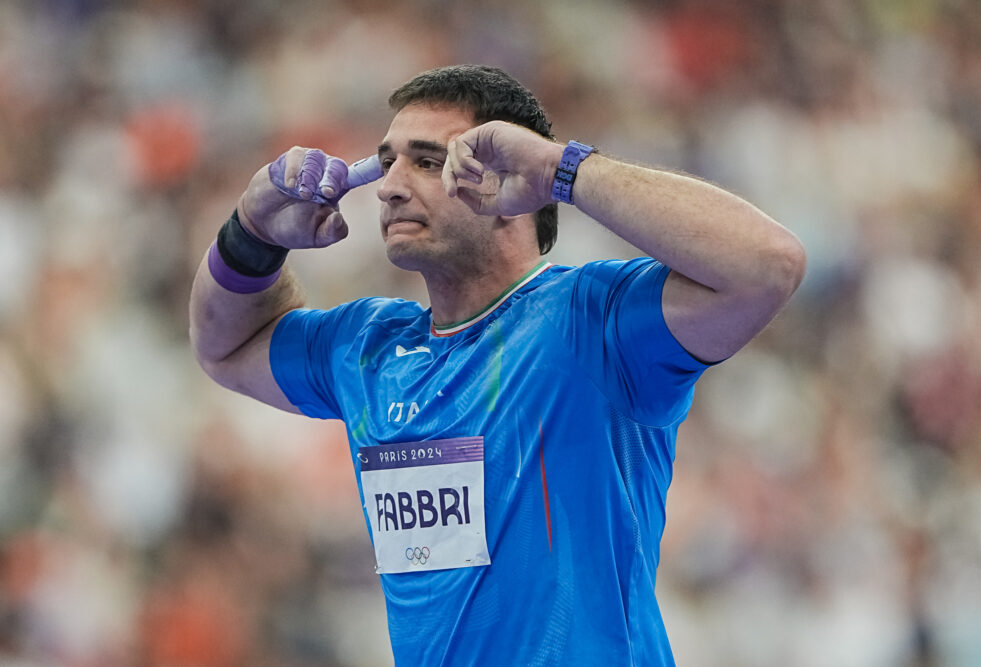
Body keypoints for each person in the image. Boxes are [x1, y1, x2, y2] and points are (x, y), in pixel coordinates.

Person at [189, 64, 806, 666]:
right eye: (387, 161)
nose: (389, 185)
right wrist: (252, 233)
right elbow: (225, 346)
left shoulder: (590, 321)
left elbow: (768, 264)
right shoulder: (369, 348)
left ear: (509, 185)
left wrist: (560, 168)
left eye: (427, 162)